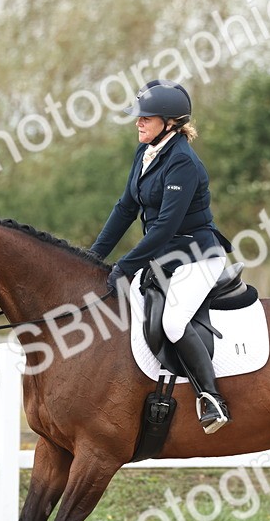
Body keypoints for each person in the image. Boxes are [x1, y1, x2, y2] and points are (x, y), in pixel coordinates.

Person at [90, 79, 234, 434]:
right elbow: (125, 208)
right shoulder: (146, 152)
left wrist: (125, 266)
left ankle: (212, 399)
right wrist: (92, 257)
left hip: (197, 254)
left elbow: (166, 227)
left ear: (170, 123)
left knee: (172, 323)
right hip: (166, 254)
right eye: (138, 117)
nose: (138, 123)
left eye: (146, 118)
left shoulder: (182, 162)